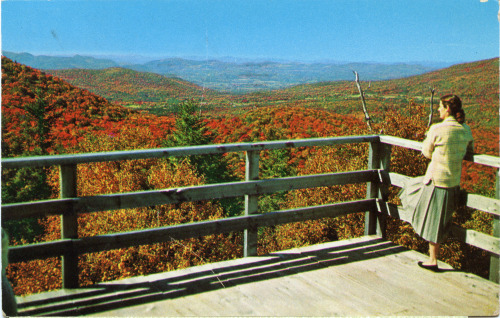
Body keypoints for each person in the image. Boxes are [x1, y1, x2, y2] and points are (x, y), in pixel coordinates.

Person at [399, 94, 473, 272]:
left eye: (440, 106)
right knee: (439, 221)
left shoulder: (437, 129)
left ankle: (433, 260)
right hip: (453, 183)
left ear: (448, 109)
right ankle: (432, 258)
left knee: (423, 209)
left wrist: (438, 156)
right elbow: (469, 152)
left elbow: (426, 152)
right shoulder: (465, 130)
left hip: (437, 181)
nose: (438, 109)